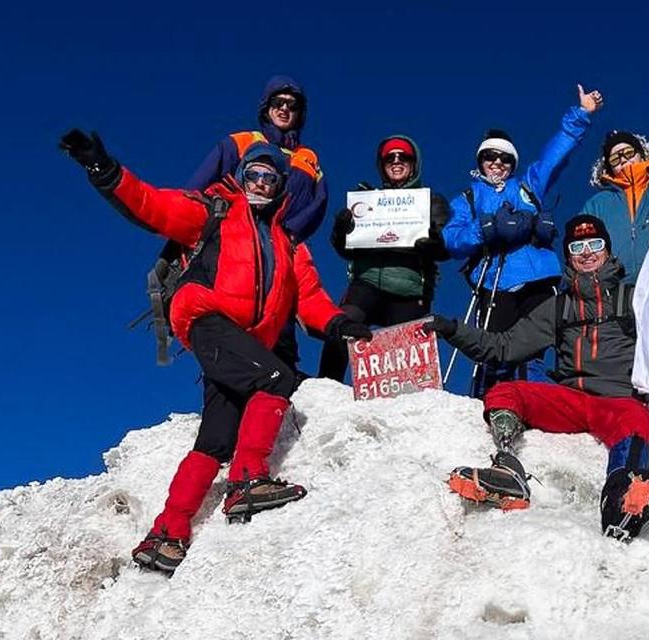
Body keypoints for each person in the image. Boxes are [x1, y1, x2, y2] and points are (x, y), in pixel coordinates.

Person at [60, 130, 371, 574]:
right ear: (242, 176)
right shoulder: (214, 213)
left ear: (280, 186)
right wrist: (103, 169)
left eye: (270, 177)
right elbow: (151, 205)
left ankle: (167, 533)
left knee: (215, 439)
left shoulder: (289, 244)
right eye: (254, 173)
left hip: (245, 344)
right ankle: (247, 481)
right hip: (207, 323)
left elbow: (312, 299)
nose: (261, 182)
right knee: (278, 378)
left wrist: (340, 324)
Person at [424, 215, 649, 541]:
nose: (586, 252)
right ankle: (508, 472)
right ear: (568, 255)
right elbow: (504, 348)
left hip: (616, 401)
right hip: (571, 400)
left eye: (595, 244)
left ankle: (624, 492)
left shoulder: (634, 299)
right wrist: (452, 329)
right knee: (506, 391)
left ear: (607, 250)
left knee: (635, 416)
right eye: (577, 246)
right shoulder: (558, 307)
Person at [442, 85, 603, 397]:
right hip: (493, 282)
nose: (498, 163)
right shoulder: (466, 199)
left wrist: (581, 114)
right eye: (490, 157)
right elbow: (451, 240)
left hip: (537, 279)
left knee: (536, 350)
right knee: (493, 351)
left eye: (505, 158)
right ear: (481, 160)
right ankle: (490, 402)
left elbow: (556, 154)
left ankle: (539, 402)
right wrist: (485, 229)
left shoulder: (528, 187)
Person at [187, 76, 330, 374]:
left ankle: (282, 389)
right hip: (239, 245)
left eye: (292, 106)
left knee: (283, 319)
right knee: (236, 317)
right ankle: (231, 392)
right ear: (266, 107)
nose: (284, 110)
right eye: (278, 103)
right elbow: (195, 192)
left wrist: (291, 232)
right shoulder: (241, 142)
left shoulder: (309, 158)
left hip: (287, 247)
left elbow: (319, 203)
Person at [319, 135, 451, 382]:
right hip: (367, 281)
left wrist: (434, 241)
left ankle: (411, 411)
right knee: (343, 324)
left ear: (414, 164)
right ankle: (326, 388)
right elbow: (346, 249)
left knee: (405, 359)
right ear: (382, 165)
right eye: (390, 157)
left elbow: (446, 247)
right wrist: (340, 232)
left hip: (409, 287)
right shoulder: (367, 201)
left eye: (404, 157)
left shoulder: (430, 202)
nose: (397, 161)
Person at [578, 130, 649, 281]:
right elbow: (579, 244)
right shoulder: (598, 204)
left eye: (628, 152)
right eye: (615, 159)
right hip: (616, 290)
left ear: (642, 155)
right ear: (609, 167)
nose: (622, 160)